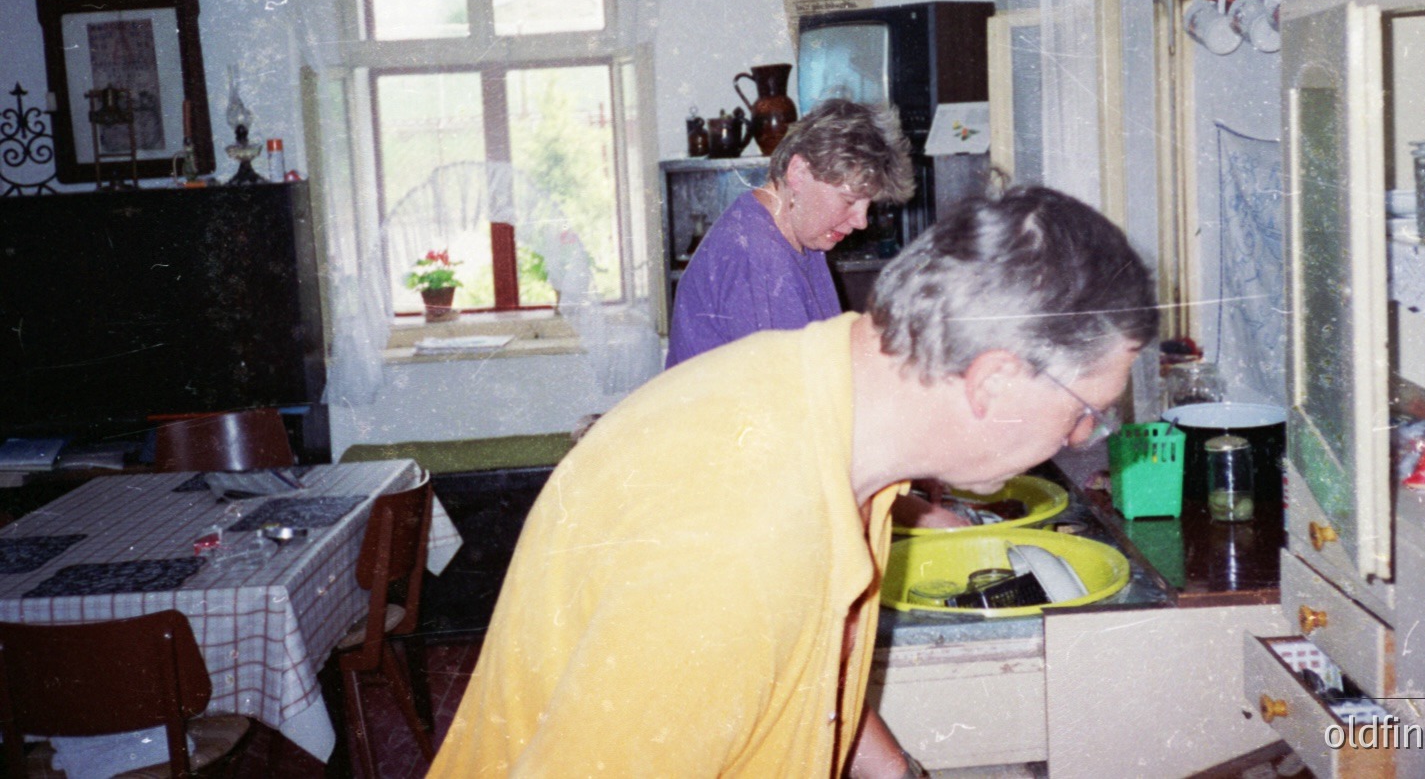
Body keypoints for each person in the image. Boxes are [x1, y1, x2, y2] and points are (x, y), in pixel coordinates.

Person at [428, 185, 1158, 778]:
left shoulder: (838, 413)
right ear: (995, 379)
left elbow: (809, 665)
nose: (1080, 437)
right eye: (1083, 410)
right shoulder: (734, 535)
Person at [665, 98, 915, 369]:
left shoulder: (801, 238)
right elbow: (790, 399)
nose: (862, 222)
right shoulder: (759, 259)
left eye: (869, 205)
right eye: (849, 200)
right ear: (798, 172)